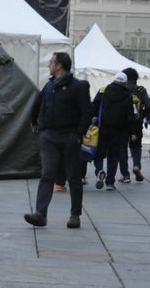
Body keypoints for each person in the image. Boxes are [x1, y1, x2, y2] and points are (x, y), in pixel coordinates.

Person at [24, 51, 93, 229]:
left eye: (52, 62)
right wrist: (35, 123)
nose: (49, 65)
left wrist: (79, 135)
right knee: (47, 174)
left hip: (69, 136)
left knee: (73, 177)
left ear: (59, 65)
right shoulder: (49, 86)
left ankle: (75, 215)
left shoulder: (78, 86)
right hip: (49, 137)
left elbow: (87, 112)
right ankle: (40, 213)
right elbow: (36, 104)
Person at [93, 75, 134, 189]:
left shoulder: (103, 91)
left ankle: (99, 171)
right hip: (118, 130)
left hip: (102, 128)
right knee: (113, 155)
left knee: (99, 153)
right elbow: (130, 116)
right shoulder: (127, 95)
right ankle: (110, 182)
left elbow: (94, 107)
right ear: (125, 83)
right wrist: (132, 132)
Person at [124, 68, 149, 183]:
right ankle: (136, 165)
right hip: (136, 123)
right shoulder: (141, 90)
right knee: (136, 146)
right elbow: (149, 104)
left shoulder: (122, 89)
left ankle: (125, 174)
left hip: (122, 123)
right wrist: (143, 115)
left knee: (122, 148)